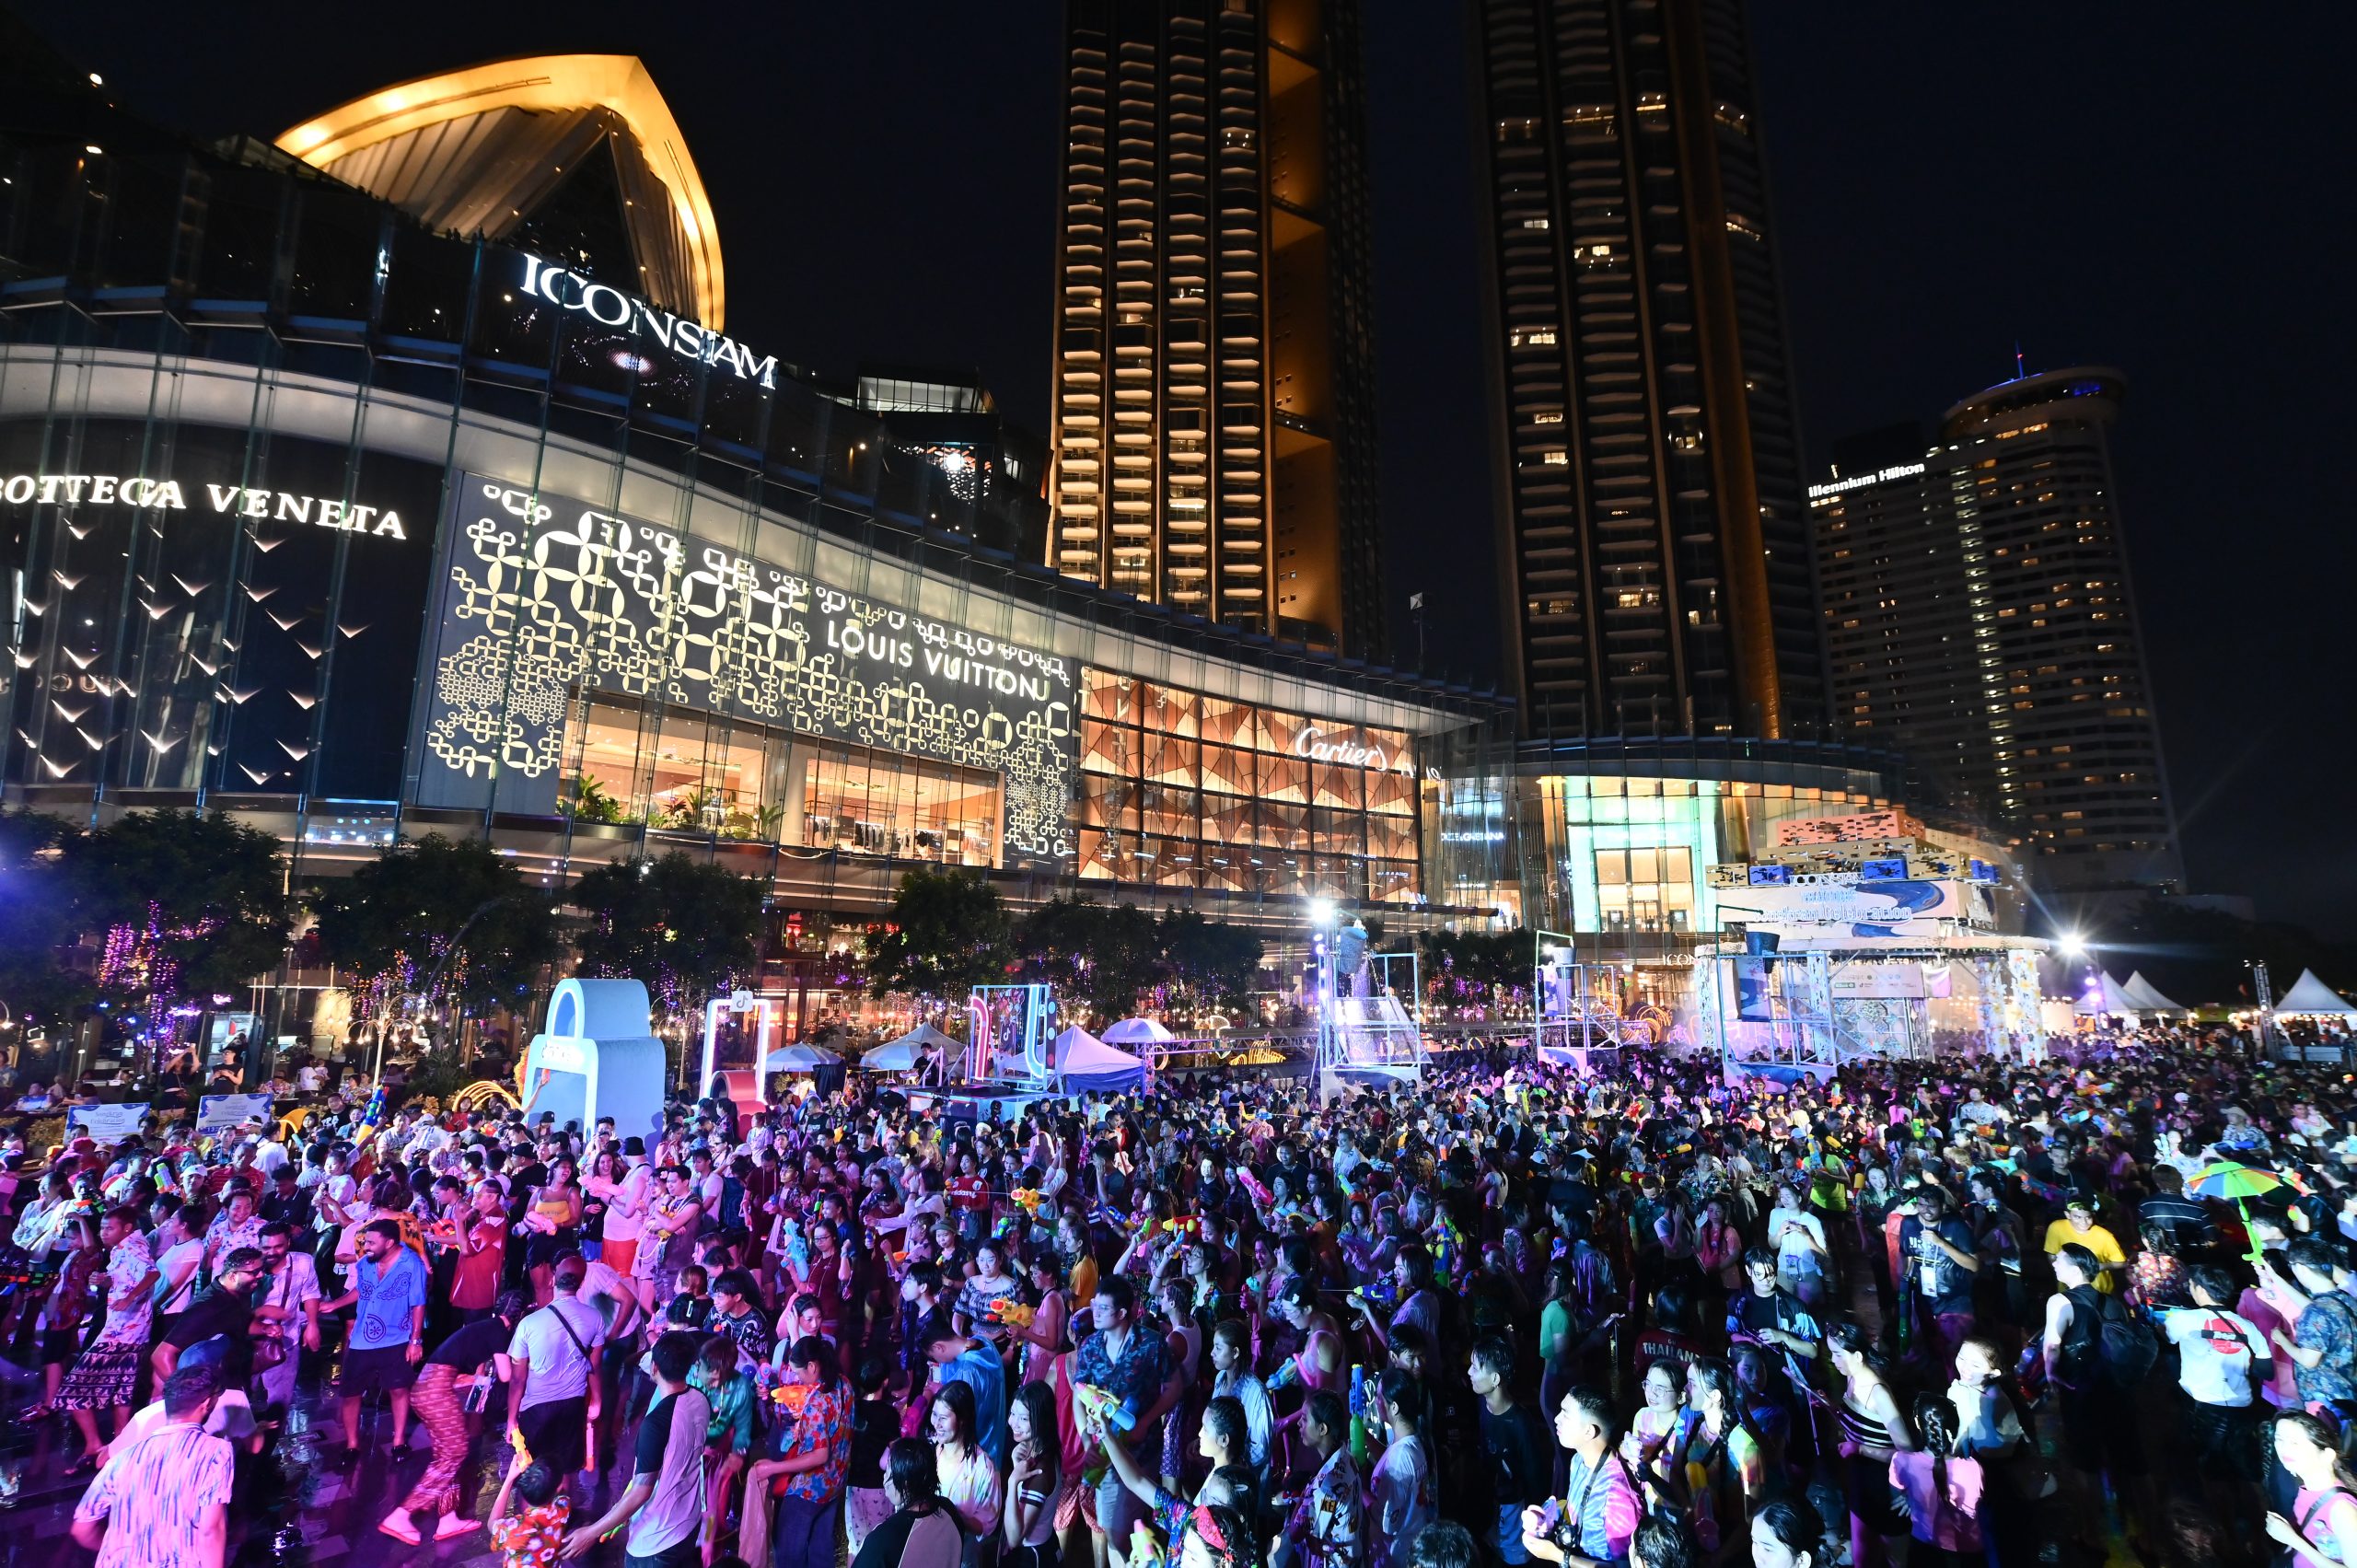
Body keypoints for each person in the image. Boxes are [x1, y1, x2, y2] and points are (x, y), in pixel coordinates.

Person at [381, 1287, 528, 1544]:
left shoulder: (485, 1327)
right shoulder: (498, 1331)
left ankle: (447, 1519)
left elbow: (479, 1375)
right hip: (435, 1391)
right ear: (520, 1316)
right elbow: (505, 1375)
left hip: (428, 1389)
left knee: (447, 1456)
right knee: (456, 1452)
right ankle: (401, 1515)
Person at [561, 1330, 710, 1566]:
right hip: (689, 1522)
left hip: (657, 1539)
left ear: (655, 1369)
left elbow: (642, 1492)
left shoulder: (656, 1423)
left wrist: (591, 1533)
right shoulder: (700, 1400)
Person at [69, 1365, 235, 1568]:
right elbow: (211, 1530)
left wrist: (121, 1551)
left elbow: (82, 1529)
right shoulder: (215, 1452)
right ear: (207, 1404)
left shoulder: (123, 1459)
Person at [57, 1205, 158, 1465]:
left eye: (108, 1228)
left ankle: (94, 1445)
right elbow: (128, 1278)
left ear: (125, 1228)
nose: (103, 1232)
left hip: (121, 1333)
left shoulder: (133, 1246)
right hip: (130, 1332)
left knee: (73, 1390)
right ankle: (120, 1444)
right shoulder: (123, 1247)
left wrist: (128, 1298)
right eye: (101, 1227)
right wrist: (107, 1281)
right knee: (121, 1389)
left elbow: (152, 1273)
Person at [323, 1216, 428, 1456]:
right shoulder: (366, 1263)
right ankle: (351, 1445)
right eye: (365, 1241)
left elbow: (418, 1304)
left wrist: (415, 1341)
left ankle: (399, 1441)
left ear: (390, 1242)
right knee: (350, 1393)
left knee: (399, 1390)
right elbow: (361, 1289)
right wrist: (335, 1304)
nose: (365, 1246)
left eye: (371, 1242)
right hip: (361, 1339)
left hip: (397, 1339)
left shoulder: (412, 1265)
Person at [509, 1253, 609, 1481]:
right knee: (565, 1470)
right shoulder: (595, 1318)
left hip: (536, 1409)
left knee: (532, 1475)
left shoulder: (529, 1323)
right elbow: (594, 1365)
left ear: (554, 1280)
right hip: (572, 1404)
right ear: (581, 1283)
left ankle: (533, 1516)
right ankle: (562, 1515)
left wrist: (512, 1418)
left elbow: (517, 1380)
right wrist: (597, 1401)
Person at [1521, 1386, 1640, 1568]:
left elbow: (1623, 1566)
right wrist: (1546, 1520)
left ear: (1589, 1432)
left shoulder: (1617, 1494)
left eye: (1565, 1414)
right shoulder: (1578, 1460)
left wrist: (1559, 1557)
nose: (1556, 1419)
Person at [1471, 1335, 1551, 1566]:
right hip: (1492, 1503)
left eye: (1475, 1368)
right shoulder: (1482, 1405)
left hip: (1516, 1508)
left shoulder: (1520, 1423)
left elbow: (1535, 1476)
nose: (1469, 1373)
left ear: (1495, 1379)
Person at [853, 1438, 970, 1568]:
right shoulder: (950, 1511)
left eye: (888, 1471)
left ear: (905, 1484)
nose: (884, 1477)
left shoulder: (881, 1541)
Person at [2268, 1408, 2357, 1568]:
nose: (2284, 1448)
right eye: (2279, 1439)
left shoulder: (2342, 1509)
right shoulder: (2306, 1487)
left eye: (2295, 1442)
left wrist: (2293, 1540)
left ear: (2326, 1455)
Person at [1368, 1367, 1435, 1568]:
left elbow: (1388, 1523)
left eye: (1379, 1397)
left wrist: (1362, 1493)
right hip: (1414, 1543)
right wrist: (1368, 1440)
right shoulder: (1417, 1441)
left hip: (1397, 1555)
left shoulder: (1401, 1458)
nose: (1376, 1402)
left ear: (1394, 1407)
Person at [489, 1460, 573, 1568]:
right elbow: (562, 1490)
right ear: (558, 1487)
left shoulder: (511, 1528)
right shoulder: (563, 1508)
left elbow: (492, 1522)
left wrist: (509, 1479)